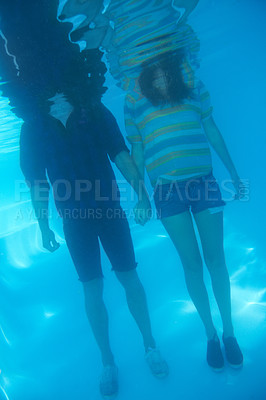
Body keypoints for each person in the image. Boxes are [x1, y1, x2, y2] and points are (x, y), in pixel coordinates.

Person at [20, 97, 168, 399]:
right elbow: (37, 182)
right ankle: (107, 361)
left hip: (110, 212)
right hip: (73, 220)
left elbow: (121, 156)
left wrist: (142, 195)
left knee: (130, 278)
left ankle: (150, 344)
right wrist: (43, 225)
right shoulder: (33, 125)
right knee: (92, 288)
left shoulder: (93, 108)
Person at [124, 52, 244, 371]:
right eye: (154, 69)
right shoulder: (134, 98)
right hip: (166, 191)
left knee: (215, 259)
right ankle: (210, 334)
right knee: (191, 264)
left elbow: (212, 129)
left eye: (166, 67)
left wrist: (232, 172)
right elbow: (137, 150)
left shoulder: (192, 83)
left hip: (204, 182)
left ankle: (229, 332)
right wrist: (141, 196)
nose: (161, 73)